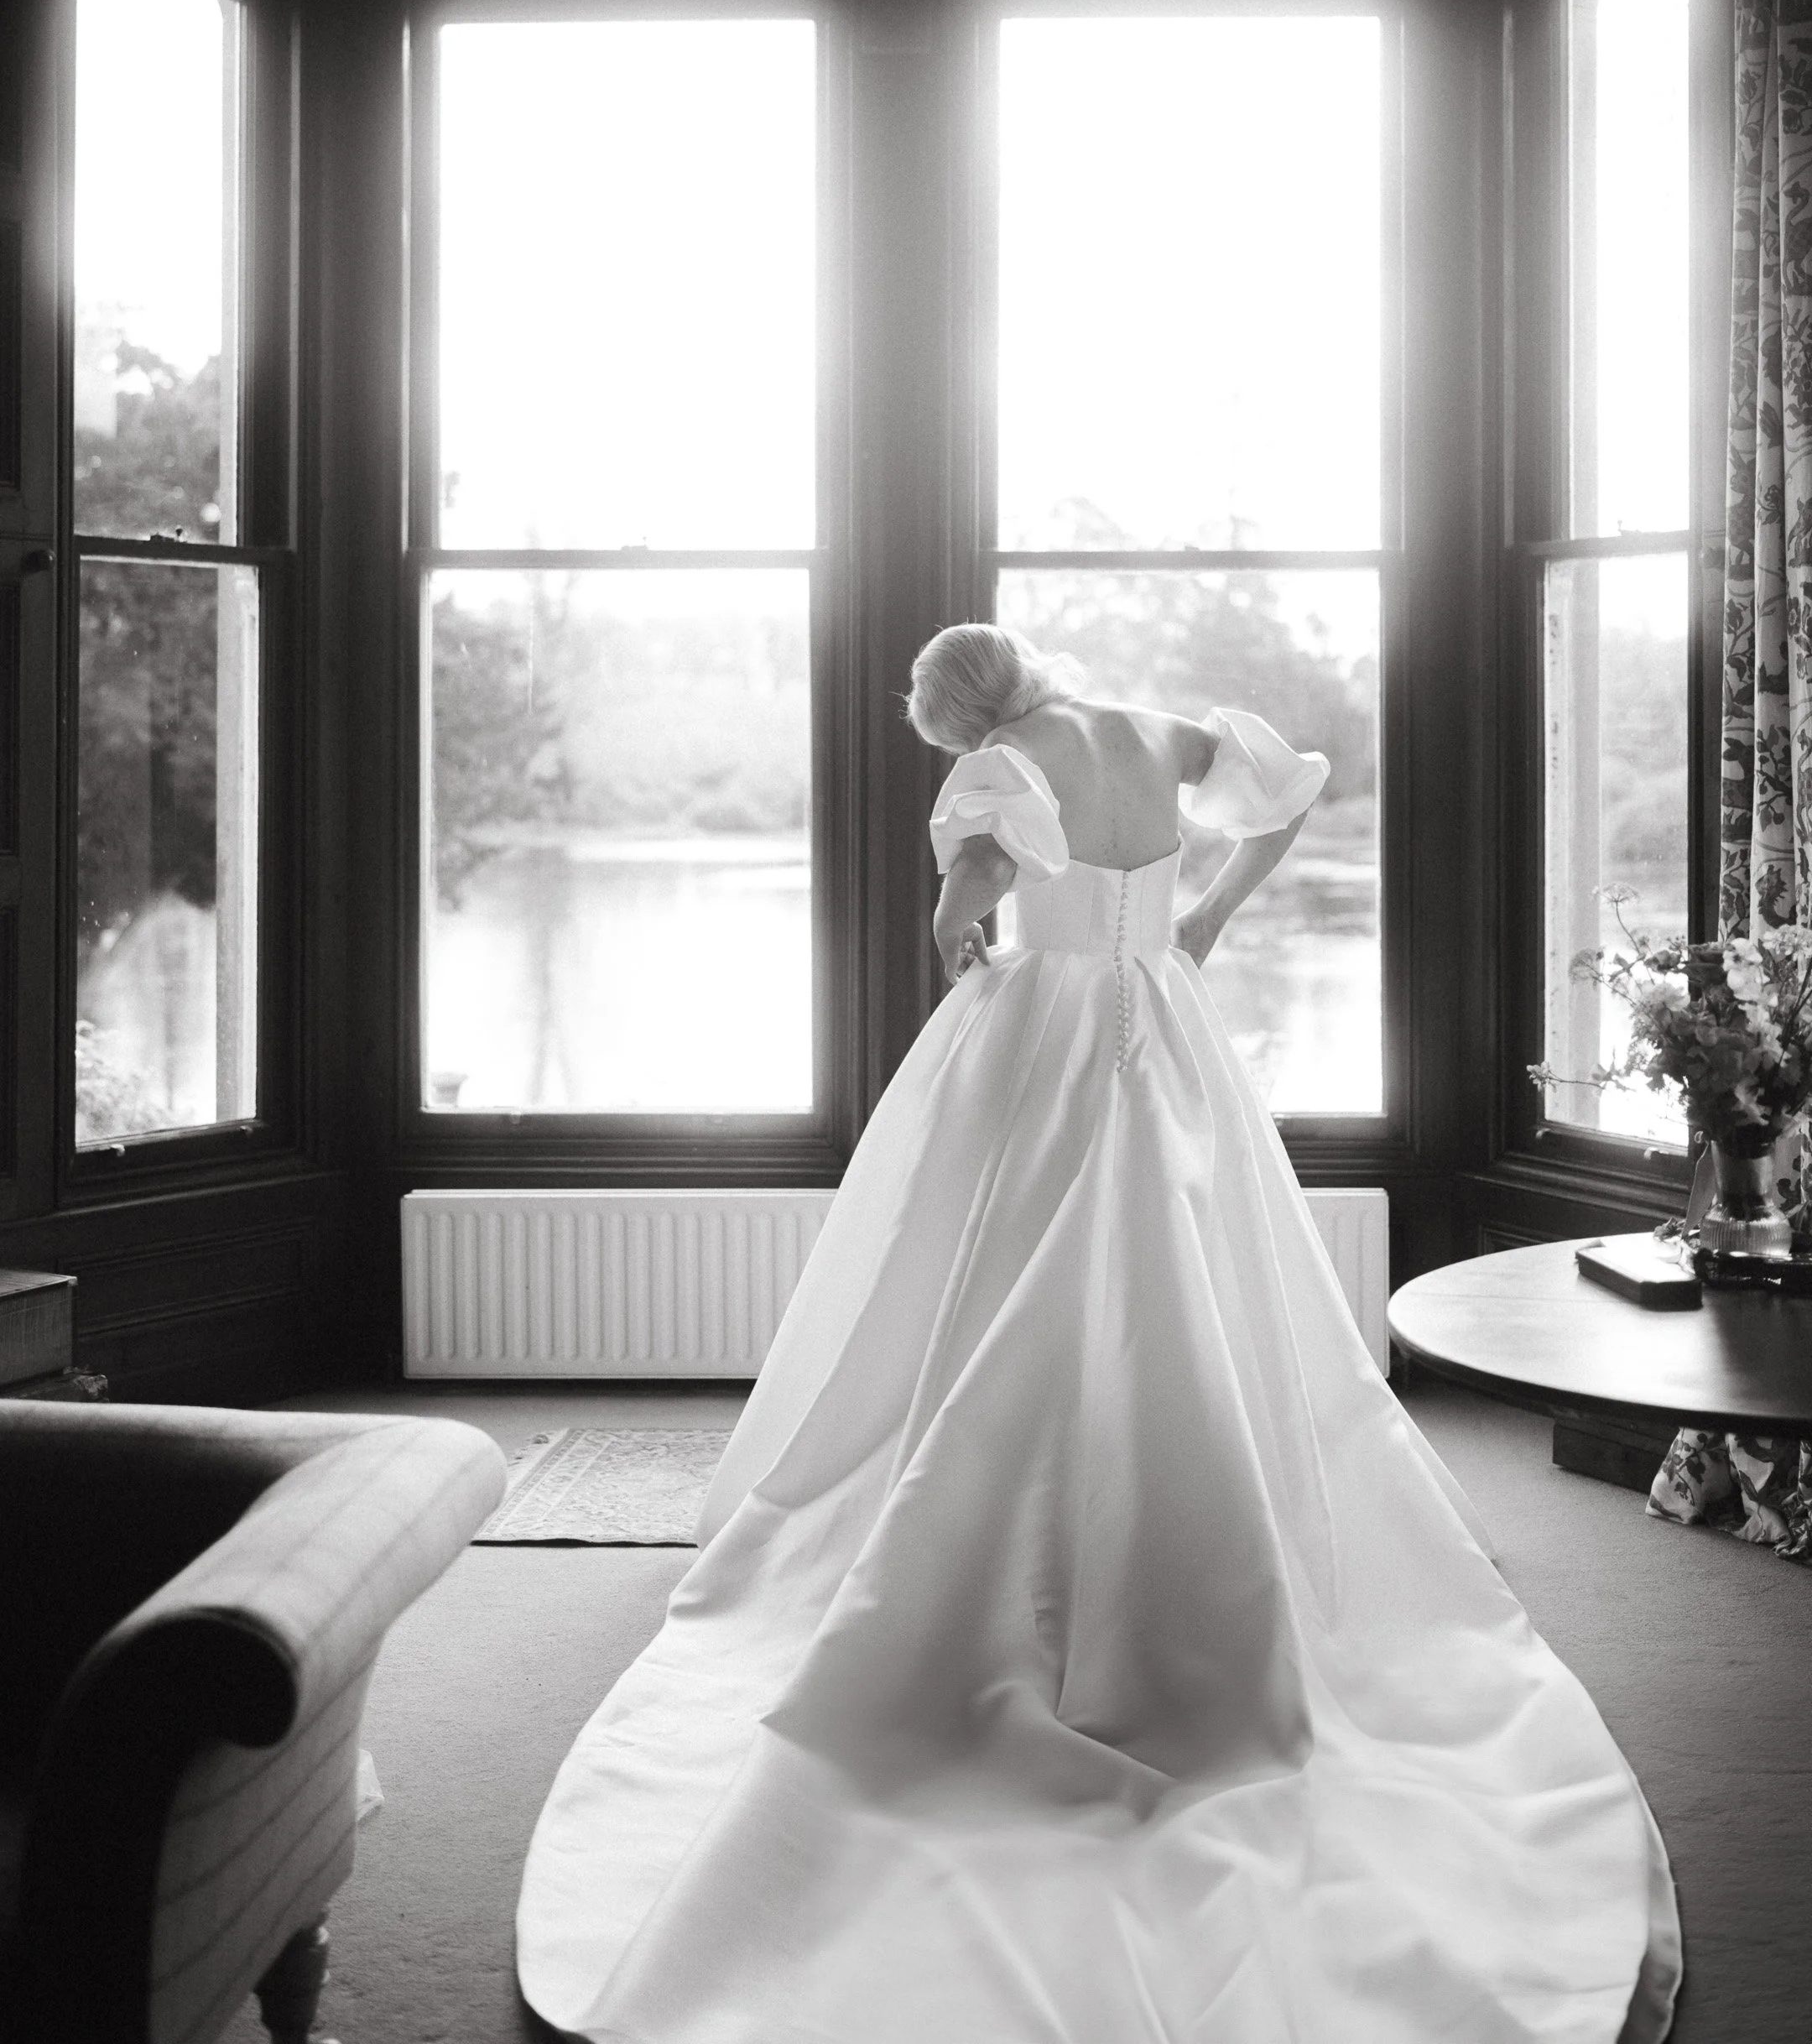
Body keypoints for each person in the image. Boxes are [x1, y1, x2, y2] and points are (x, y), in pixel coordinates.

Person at [518, 623, 1680, 2044]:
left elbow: (963, 907)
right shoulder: (1161, 732)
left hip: (1045, 1032)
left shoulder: (1002, 772)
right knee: (1198, 1273)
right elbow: (1293, 788)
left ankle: (992, 1517)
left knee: (977, 1272)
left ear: (959, 718)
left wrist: (951, 943)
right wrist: (1208, 915)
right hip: (1167, 1018)